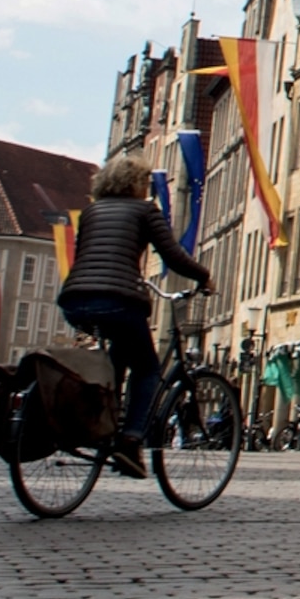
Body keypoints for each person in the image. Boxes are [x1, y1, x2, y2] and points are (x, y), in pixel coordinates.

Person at [54, 156, 213, 479]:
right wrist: (204, 277)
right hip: (119, 300)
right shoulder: (145, 212)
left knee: (118, 356)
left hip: (74, 300)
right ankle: (130, 439)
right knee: (147, 369)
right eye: (146, 183)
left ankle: (102, 423)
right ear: (137, 184)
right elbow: (172, 255)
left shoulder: (91, 212)